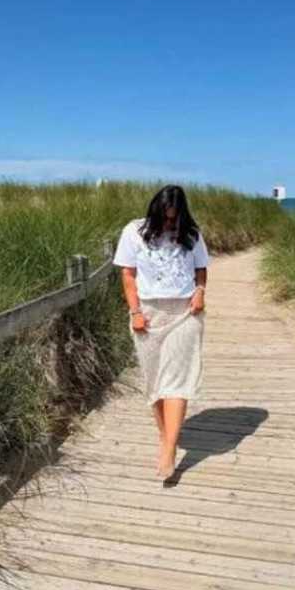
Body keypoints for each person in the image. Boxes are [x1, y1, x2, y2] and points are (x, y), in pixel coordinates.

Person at [112, 185, 209, 480]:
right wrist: (135, 312)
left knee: (177, 380)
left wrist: (200, 291)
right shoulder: (134, 231)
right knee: (154, 381)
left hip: (185, 312)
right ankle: (166, 437)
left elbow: (201, 267)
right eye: (166, 218)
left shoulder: (191, 233)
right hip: (148, 312)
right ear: (155, 212)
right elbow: (128, 275)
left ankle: (167, 452)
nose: (170, 224)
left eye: (174, 218)